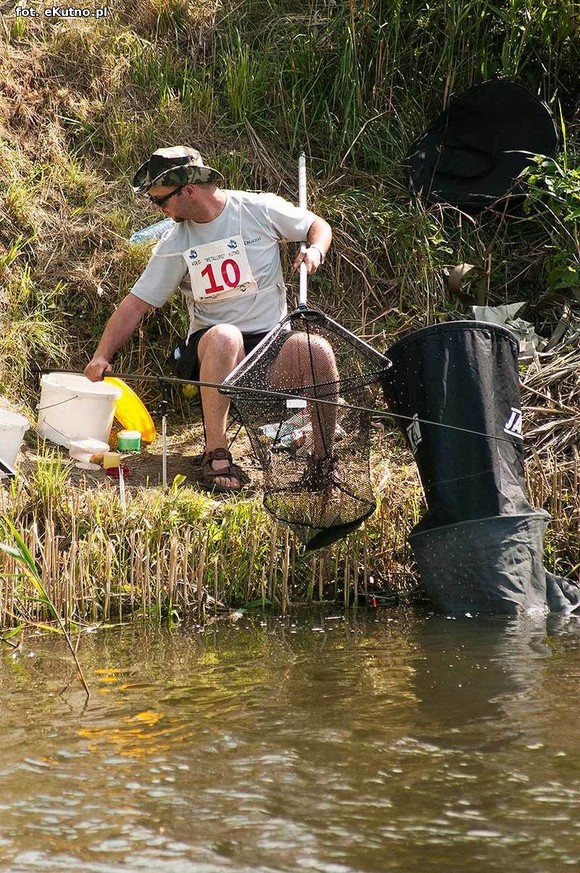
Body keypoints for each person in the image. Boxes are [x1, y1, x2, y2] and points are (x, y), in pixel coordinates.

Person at [85, 145, 336, 492]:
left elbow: (317, 227)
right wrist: (102, 355)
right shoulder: (175, 241)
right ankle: (215, 453)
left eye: (161, 201)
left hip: (270, 346)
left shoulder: (258, 209)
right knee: (226, 336)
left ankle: (324, 463)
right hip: (212, 350)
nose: (158, 209)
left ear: (188, 190)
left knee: (319, 351)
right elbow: (135, 305)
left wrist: (315, 250)